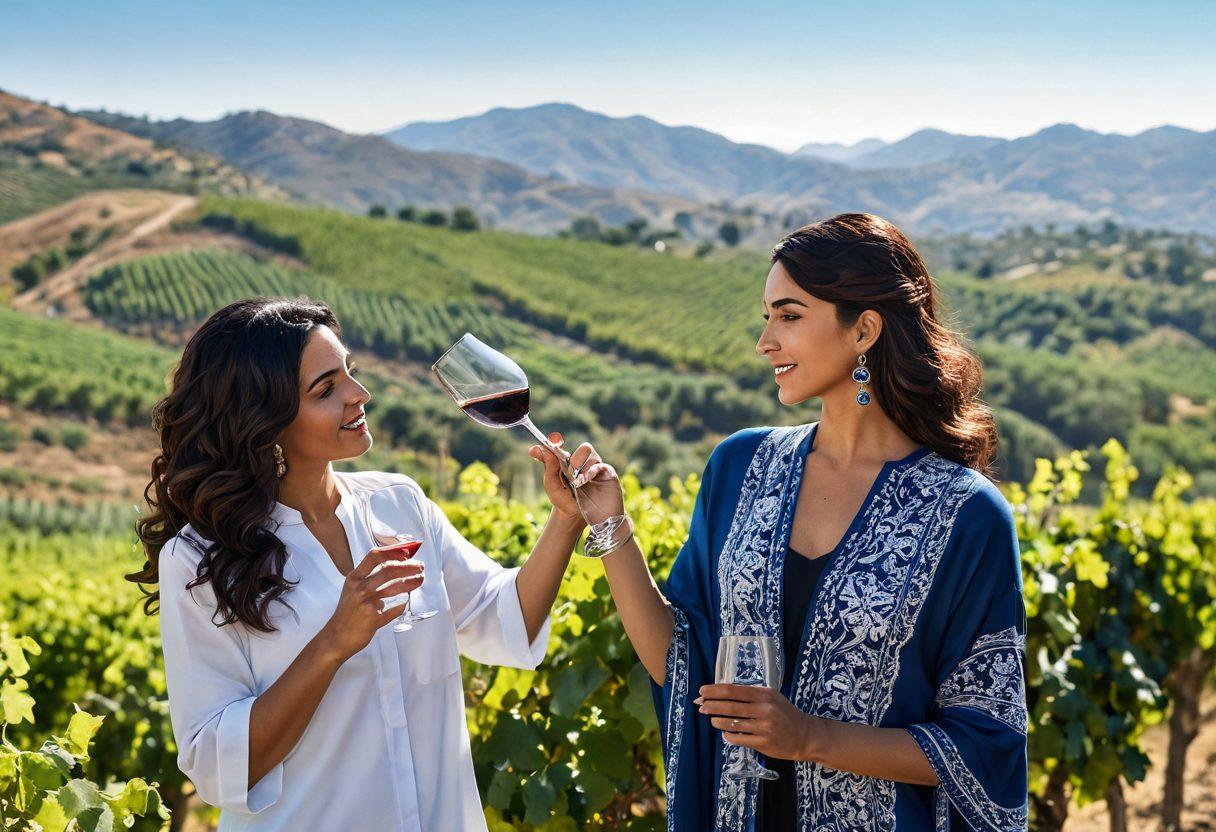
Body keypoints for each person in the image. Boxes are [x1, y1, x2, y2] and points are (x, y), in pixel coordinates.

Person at [558, 213, 1028, 831]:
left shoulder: (966, 514)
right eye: (766, 317)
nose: (765, 341)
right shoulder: (739, 466)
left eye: (789, 315)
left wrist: (808, 737)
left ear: (863, 329)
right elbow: (681, 662)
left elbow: (985, 742)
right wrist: (609, 524)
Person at [127, 298, 596, 831]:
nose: (359, 394)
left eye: (350, 371)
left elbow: (507, 619)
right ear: (263, 421)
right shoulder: (199, 559)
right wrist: (332, 643)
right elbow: (219, 766)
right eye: (326, 389)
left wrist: (564, 521)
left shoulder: (400, 504)